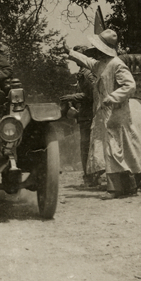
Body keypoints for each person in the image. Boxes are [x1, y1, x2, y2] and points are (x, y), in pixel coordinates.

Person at [67, 30, 141, 198]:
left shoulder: (116, 64)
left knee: (117, 150)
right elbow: (87, 61)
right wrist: (70, 53)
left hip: (117, 113)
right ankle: (125, 187)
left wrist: (113, 97)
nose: (95, 50)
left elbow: (130, 85)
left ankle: (119, 188)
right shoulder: (101, 64)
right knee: (115, 150)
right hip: (106, 114)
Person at [61, 46, 99, 187]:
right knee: (87, 147)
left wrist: (73, 97)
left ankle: (90, 177)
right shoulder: (82, 73)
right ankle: (90, 176)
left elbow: (91, 95)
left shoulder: (87, 74)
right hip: (84, 115)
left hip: (89, 115)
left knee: (87, 147)